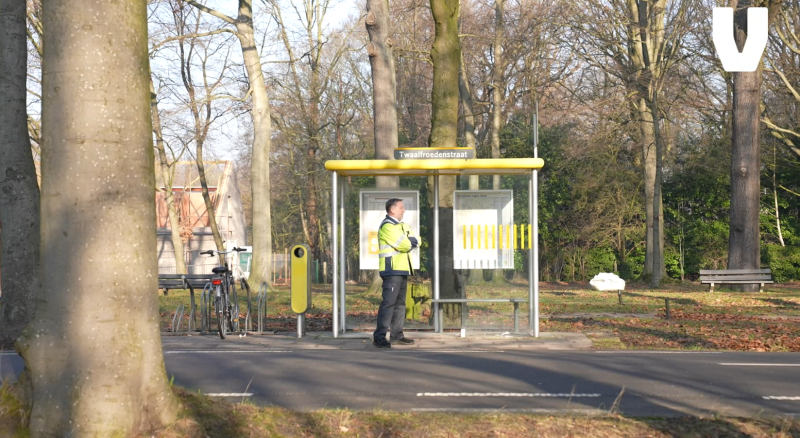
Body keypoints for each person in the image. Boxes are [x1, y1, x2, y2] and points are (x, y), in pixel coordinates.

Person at [373, 198, 420, 348]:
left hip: (402, 269)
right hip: (392, 270)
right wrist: (409, 242)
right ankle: (379, 337)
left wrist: (410, 241)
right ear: (392, 210)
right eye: (401, 207)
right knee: (389, 303)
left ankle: (397, 335)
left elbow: (417, 239)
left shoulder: (401, 226)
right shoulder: (387, 226)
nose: (404, 210)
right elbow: (404, 244)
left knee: (400, 304)